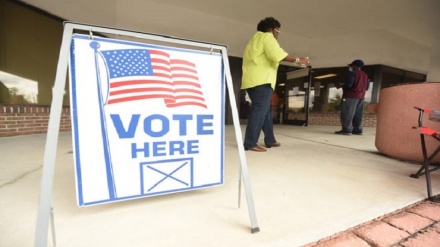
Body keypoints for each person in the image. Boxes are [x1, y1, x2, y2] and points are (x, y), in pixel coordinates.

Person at [242, 17, 310, 152]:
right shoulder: (267, 37)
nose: (278, 33)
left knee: (265, 111)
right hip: (262, 81)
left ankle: (270, 139)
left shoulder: (253, 41)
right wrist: (298, 60)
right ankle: (250, 143)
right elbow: (276, 54)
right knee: (259, 112)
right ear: (270, 29)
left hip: (251, 81)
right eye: (278, 30)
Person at [335, 59, 369, 135]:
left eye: (352, 66)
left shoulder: (352, 73)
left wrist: (341, 85)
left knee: (347, 113)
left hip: (350, 96)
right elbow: (367, 87)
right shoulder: (365, 75)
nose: (351, 67)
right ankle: (358, 129)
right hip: (361, 97)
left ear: (354, 66)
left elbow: (349, 85)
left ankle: (346, 129)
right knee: (358, 114)